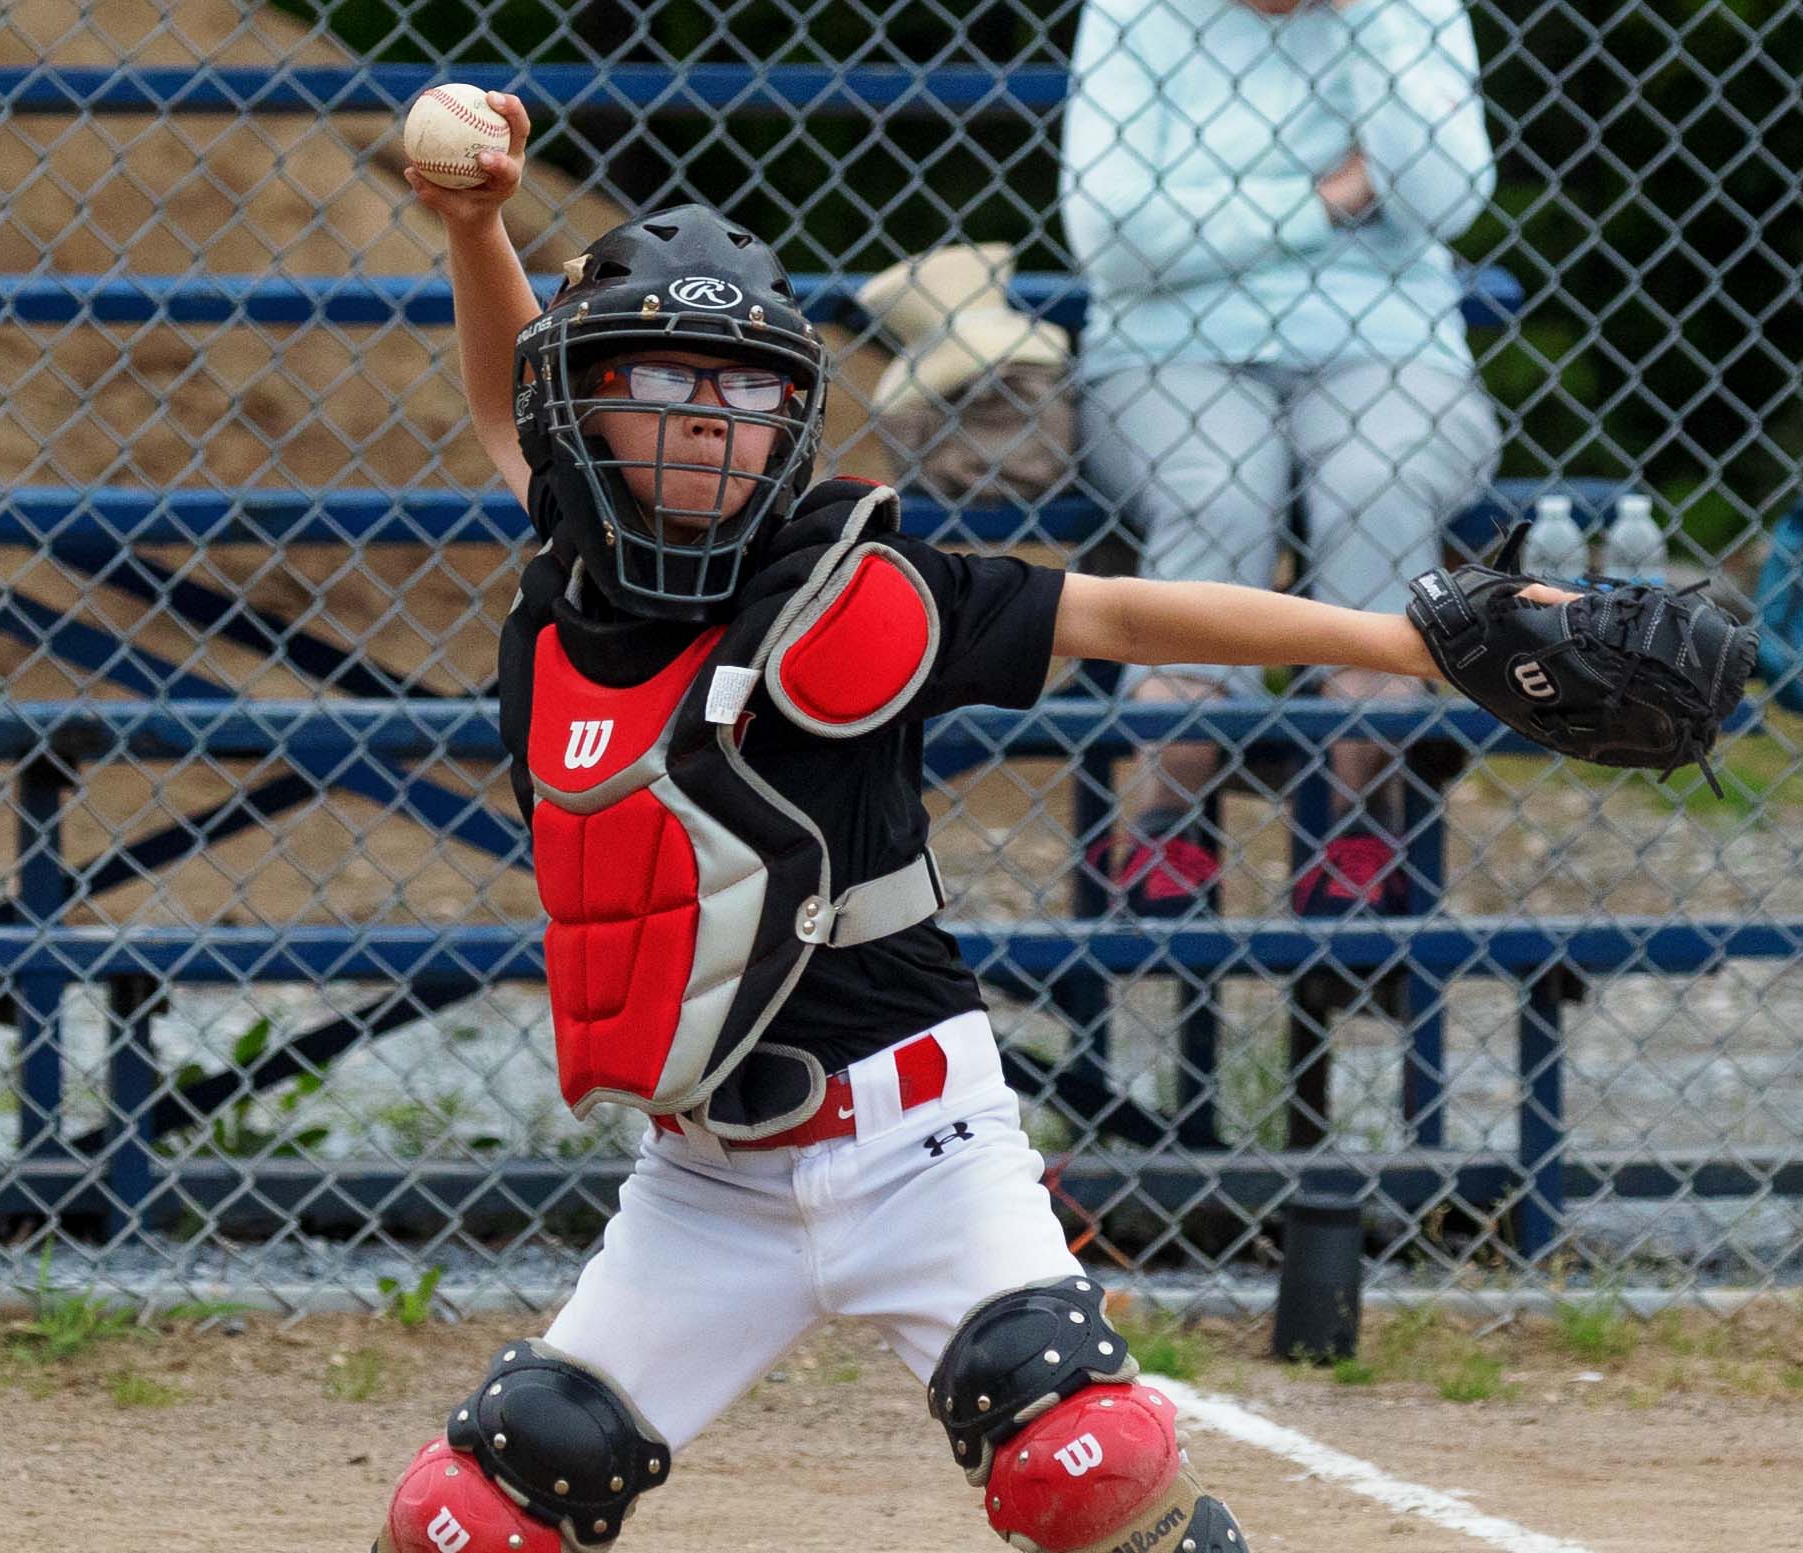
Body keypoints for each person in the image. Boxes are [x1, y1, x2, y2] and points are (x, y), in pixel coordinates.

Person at [382, 92, 1514, 1553]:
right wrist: (475, 228)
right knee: (473, 1510)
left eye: (742, 393)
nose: (706, 423)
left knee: (1077, 1465)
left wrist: (1406, 643)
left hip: (919, 1143)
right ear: (579, 403)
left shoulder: (858, 595)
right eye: (661, 382)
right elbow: (498, 402)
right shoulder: (571, 585)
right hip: (703, 1182)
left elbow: (1116, 612)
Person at [1063, 0, 1503, 918]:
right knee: (1219, 490)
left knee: (1375, 484)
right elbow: (1111, 236)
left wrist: (1372, 20)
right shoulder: (1135, 10)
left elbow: (1447, 199)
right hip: (1165, 348)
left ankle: (1357, 818)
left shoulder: (1407, 10)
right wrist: (1326, 202)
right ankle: (1165, 816)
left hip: (1390, 346)